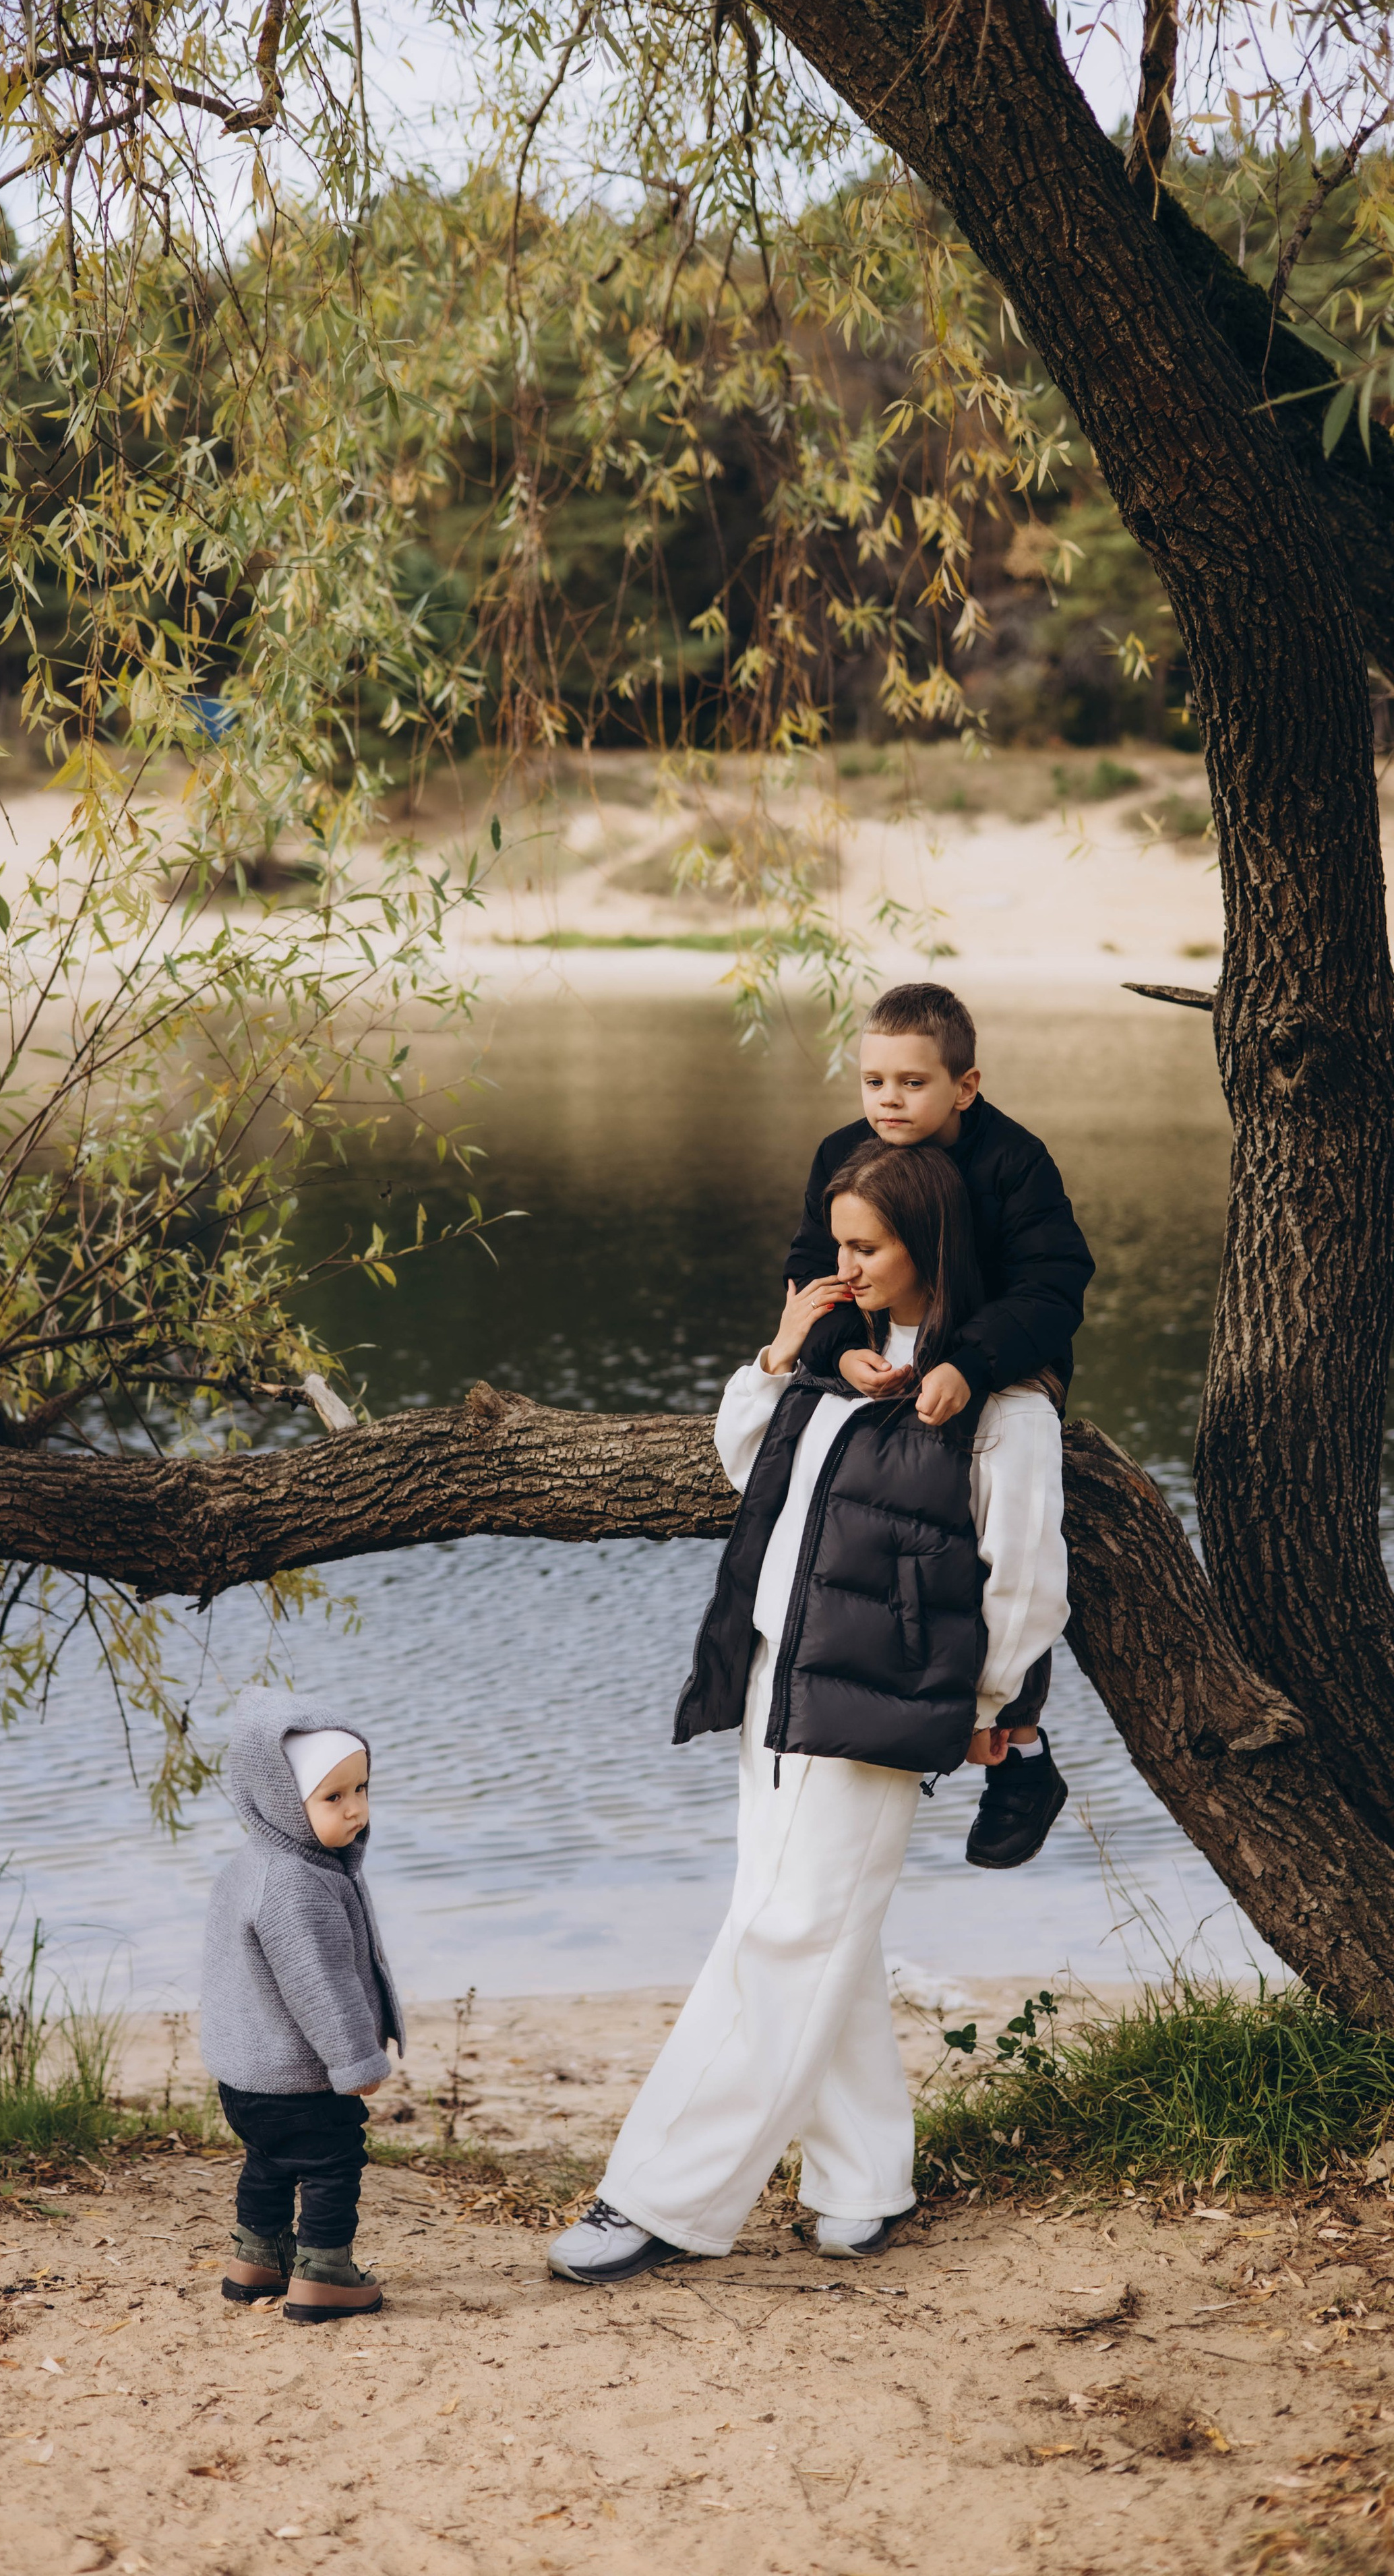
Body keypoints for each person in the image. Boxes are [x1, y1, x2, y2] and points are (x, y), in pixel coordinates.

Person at [547, 1139, 1068, 2287]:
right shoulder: (843, 1367)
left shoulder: (999, 1406)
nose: (844, 1266)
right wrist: (785, 1352)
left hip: (878, 1707)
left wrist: (986, 1708)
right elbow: (748, 1467)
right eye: (836, 1244)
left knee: (787, 1931)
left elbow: (1027, 1583)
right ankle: (864, 2181)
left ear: (928, 1248)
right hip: (775, 1683)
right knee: (824, 1929)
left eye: (865, 1248)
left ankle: (659, 2199)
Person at [784, 979, 1091, 1869]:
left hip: (999, 1365)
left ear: (966, 1085)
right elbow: (815, 1267)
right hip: (883, 1356)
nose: (888, 1099)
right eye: (873, 1080)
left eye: (912, 1083)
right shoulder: (845, 1154)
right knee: (872, 1530)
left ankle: (1015, 1743)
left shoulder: (1013, 1161)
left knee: (1014, 1534)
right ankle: (889, 1714)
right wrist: (840, 1351)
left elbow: (1054, 1284)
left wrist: (972, 1364)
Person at [199, 1694, 403, 2325]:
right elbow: (321, 1988)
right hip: (300, 2079)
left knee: (270, 2160)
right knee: (333, 2165)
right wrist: (357, 2063)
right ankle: (326, 2273)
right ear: (283, 1802)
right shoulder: (295, 1884)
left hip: (246, 2078)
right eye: (333, 1798)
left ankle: (256, 2258)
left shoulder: (254, 1864)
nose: (357, 1810)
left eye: (361, 1789)